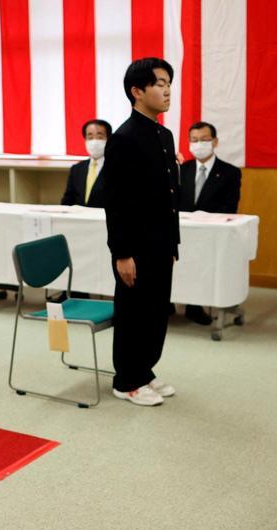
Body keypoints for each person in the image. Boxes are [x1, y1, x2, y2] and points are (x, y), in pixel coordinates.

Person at [103, 57, 180, 407]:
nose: (167, 90)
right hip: (135, 246)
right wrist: (122, 253)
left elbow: (169, 197)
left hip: (162, 243)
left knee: (155, 311)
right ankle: (126, 379)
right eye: (159, 83)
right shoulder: (125, 138)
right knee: (134, 313)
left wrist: (173, 242)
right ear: (137, 91)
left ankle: (145, 370)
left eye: (169, 83)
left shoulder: (163, 134)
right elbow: (116, 202)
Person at [179, 120, 242, 325]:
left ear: (215, 142)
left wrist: (203, 220)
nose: (199, 144)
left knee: (202, 266)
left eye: (204, 139)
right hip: (181, 231)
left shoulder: (230, 172)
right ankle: (169, 303)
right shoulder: (181, 169)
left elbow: (229, 207)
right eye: (194, 140)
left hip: (211, 233)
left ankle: (195, 306)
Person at [61, 119, 111, 208]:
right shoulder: (76, 169)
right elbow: (67, 201)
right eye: (90, 137)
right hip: (79, 219)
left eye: (100, 137)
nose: (94, 141)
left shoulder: (117, 167)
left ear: (109, 139)